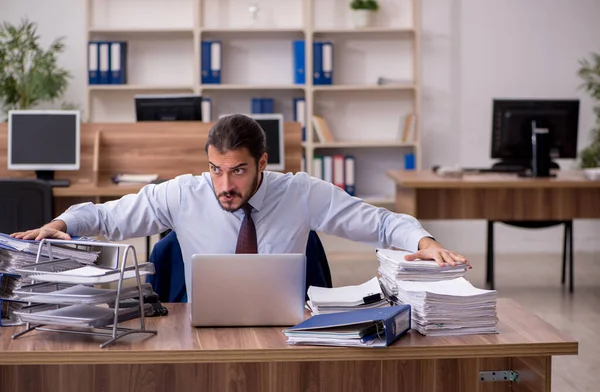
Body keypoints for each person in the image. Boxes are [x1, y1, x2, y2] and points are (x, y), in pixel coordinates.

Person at [11, 114, 470, 293]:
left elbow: (381, 222)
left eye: (238, 171)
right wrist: (62, 223)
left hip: (285, 332)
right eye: (215, 169)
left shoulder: (301, 192)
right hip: (198, 328)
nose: (224, 184)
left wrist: (424, 241)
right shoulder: (183, 193)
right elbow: (109, 216)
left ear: (262, 163)